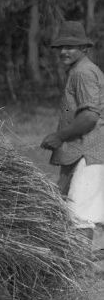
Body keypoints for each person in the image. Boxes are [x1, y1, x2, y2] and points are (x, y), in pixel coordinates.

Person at [40, 21, 104, 247]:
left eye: (71, 46)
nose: (64, 51)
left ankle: (82, 268)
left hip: (90, 150)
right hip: (83, 150)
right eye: (61, 47)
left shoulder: (83, 73)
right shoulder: (79, 71)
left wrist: (60, 136)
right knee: (77, 208)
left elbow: (90, 117)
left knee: (80, 214)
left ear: (84, 49)